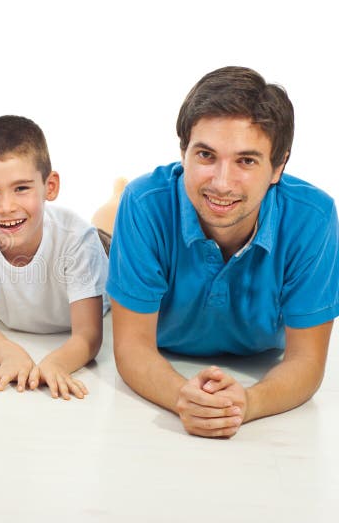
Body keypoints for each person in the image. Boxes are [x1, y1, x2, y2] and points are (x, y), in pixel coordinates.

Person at [107, 66, 339, 438]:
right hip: (131, 227)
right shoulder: (144, 203)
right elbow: (133, 347)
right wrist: (183, 397)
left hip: (254, 354)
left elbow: (307, 360)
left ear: (278, 166)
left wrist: (249, 403)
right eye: (205, 155)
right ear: (183, 152)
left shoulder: (314, 217)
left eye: (246, 161)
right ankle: (112, 199)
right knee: (104, 228)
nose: (222, 183)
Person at [0, 115, 108, 400]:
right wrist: (11, 356)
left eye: (21, 188)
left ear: (50, 186)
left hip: (102, 246)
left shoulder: (78, 238)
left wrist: (56, 362)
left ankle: (117, 193)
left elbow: (88, 334)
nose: (7, 206)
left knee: (109, 224)